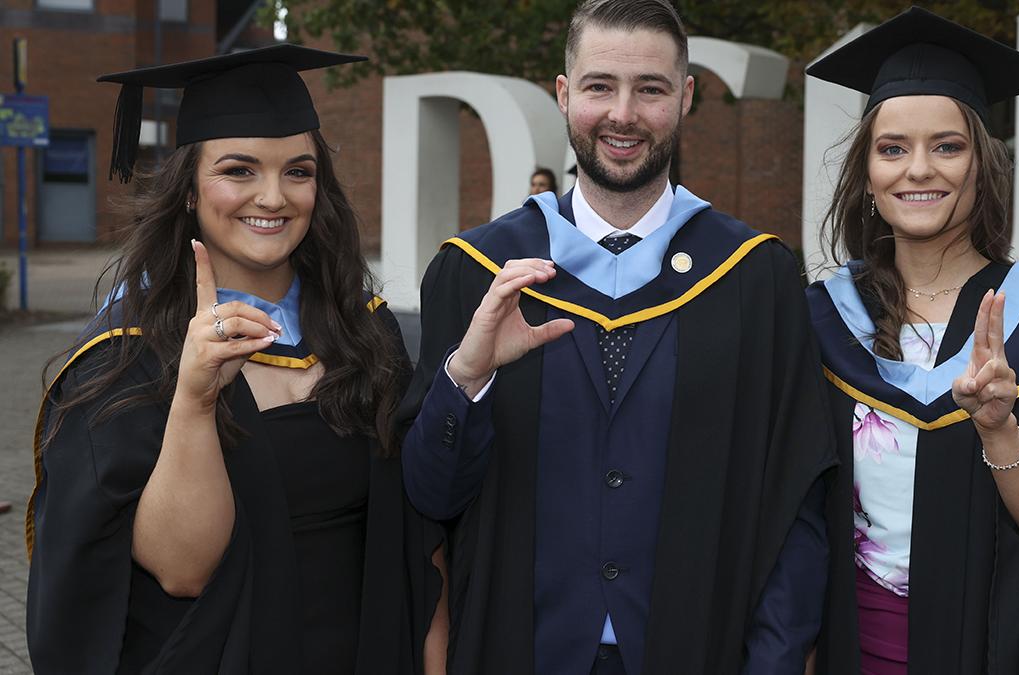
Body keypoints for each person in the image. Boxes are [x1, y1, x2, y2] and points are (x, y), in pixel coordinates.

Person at [398, 1, 836, 673]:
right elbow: (430, 498)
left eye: (650, 89)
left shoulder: (754, 280)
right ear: (565, 94)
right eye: (600, 86)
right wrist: (467, 378)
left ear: (686, 98)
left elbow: (795, 501)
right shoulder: (477, 274)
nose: (623, 114)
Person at [25, 45, 444, 674]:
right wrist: (194, 398)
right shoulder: (127, 354)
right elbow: (182, 573)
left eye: (298, 171)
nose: (273, 197)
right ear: (189, 189)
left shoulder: (365, 331)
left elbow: (420, 538)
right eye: (239, 170)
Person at [805, 8, 1019, 674]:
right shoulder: (822, 319)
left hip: (994, 653)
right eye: (893, 147)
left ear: (983, 164)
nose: (918, 169)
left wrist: (998, 428)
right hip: (849, 649)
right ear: (867, 174)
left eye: (948, 146)